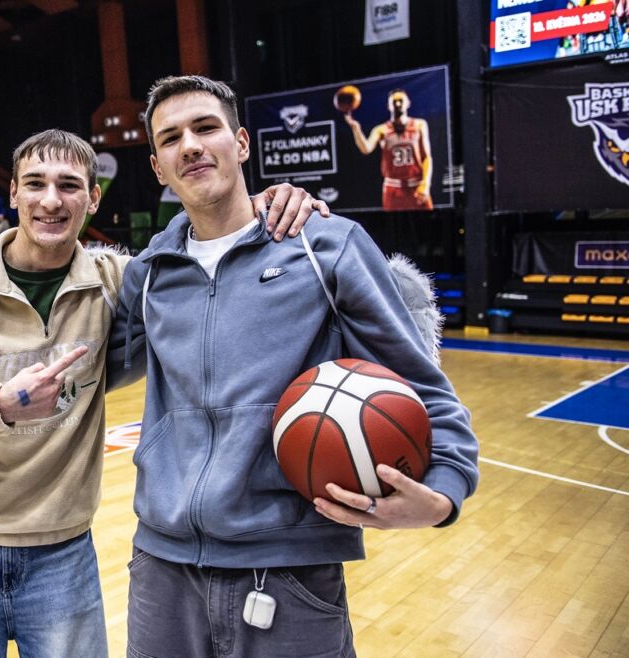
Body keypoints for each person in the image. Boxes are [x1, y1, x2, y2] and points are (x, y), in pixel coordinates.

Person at [0, 128, 327, 657]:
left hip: (64, 554)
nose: (51, 200)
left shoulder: (117, 280)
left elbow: (207, 263)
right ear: (14, 193)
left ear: (93, 198)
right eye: (36, 183)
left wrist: (261, 206)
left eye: (69, 185)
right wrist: (1, 405)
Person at [108, 75, 479, 658]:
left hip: (289, 569)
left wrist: (445, 492)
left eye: (206, 128)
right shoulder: (149, 274)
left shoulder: (324, 245)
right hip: (162, 566)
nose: (191, 146)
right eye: (171, 138)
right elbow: (87, 364)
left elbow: (419, 382)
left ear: (241, 143)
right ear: (158, 167)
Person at [344, 89, 433, 211]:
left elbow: (426, 157)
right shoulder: (381, 129)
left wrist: (426, 183)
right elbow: (366, 148)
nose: (398, 104)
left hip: (416, 185)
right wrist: (356, 128)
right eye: (394, 101)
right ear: (389, 106)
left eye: (400, 100)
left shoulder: (420, 125)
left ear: (408, 103)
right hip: (393, 187)